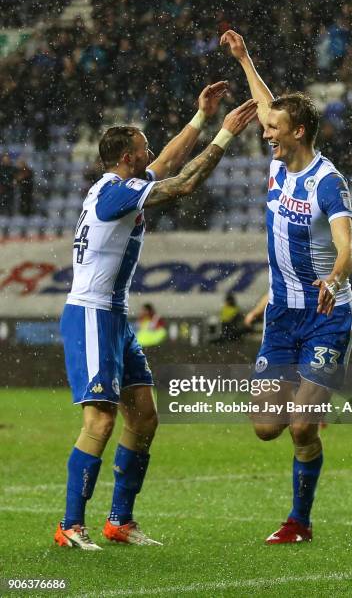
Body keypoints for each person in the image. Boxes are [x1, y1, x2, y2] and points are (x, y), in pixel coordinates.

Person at [54, 80, 258, 550]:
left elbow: (165, 163)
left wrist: (201, 117)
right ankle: (70, 526)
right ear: (126, 158)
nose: (150, 153)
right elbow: (183, 181)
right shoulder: (112, 196)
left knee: (143, 417)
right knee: (101, 421)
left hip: (115, 316)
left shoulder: (116, 186)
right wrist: (224, 135)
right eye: (142, 147)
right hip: (90, 313)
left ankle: (119, 521)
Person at [221, 30, 352, 544]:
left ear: (298, 131)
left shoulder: (328, 182)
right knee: (264, 426)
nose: (265, 134)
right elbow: (263, 104)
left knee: (300, 426)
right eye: (266, 127)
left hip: (326, 314)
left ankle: (298, 521)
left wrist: (335, 275)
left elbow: (349, 246)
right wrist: (243, 56)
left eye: (275, 129)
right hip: (281, 315)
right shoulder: (278, 167)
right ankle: (313, 402)